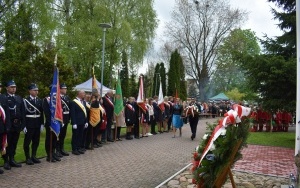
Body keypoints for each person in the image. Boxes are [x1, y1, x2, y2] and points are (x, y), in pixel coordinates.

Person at [3, 80, 23, 169]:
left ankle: (12, 159)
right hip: (9, 124)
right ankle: (6, 161)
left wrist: (23, 124)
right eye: (11, 87)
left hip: (17, 124)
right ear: (7, 88)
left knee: (14, 143)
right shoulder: (4, 98)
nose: (14, 89)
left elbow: (22, 111)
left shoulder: (19, 98)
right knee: (7, 143)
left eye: (14, 87)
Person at [23, 83, 44, 165]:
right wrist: (23, 125)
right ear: (30, 91)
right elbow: (23, 114)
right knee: (27, 142)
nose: (36, 92)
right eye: (34, 90)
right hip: (29, 124)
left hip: (37, 124)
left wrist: (42, 123)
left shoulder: (39, 100)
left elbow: (41, 113)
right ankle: (27, 157)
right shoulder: (25, 100)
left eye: (37, 90)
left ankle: (33, 156)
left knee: (36, 141)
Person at [42, 86, 61, 162]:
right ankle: (49, 154)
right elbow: (46, 112)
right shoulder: (47, 99)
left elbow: (60, 111)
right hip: (50, 123)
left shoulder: (58, 99)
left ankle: (53, 152)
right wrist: (51, 122)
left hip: (56, 122)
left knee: (55, 139)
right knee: (49, 139)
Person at [70, 90, 88, 155]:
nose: (84, 94)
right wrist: (74, 122)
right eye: (83, 93)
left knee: (80, 135)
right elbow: (73, 113)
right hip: (76, 122)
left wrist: (86, 121)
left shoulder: (84, 102)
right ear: (79, 94)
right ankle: (74, 149)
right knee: (75, 136)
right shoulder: (74, 102)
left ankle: (78, 147)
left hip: (82, 122)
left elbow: (85, 113)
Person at [57, 83, 71, 156]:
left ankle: (62, 148)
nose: (65, 90)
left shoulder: (67, 98)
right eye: (64, 88)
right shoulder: (57, 98)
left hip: (66, 118)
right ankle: (58, 150)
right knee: (58, 135)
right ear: (60, 89)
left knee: (63, 135)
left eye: (66, 88)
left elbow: (69, 108)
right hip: (60, 119)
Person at [0, 82, 11, 173]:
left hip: (1, 126)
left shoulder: (3, 98)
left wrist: (7, 125)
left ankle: (4, 161)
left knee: (2, 145)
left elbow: (7, 113)